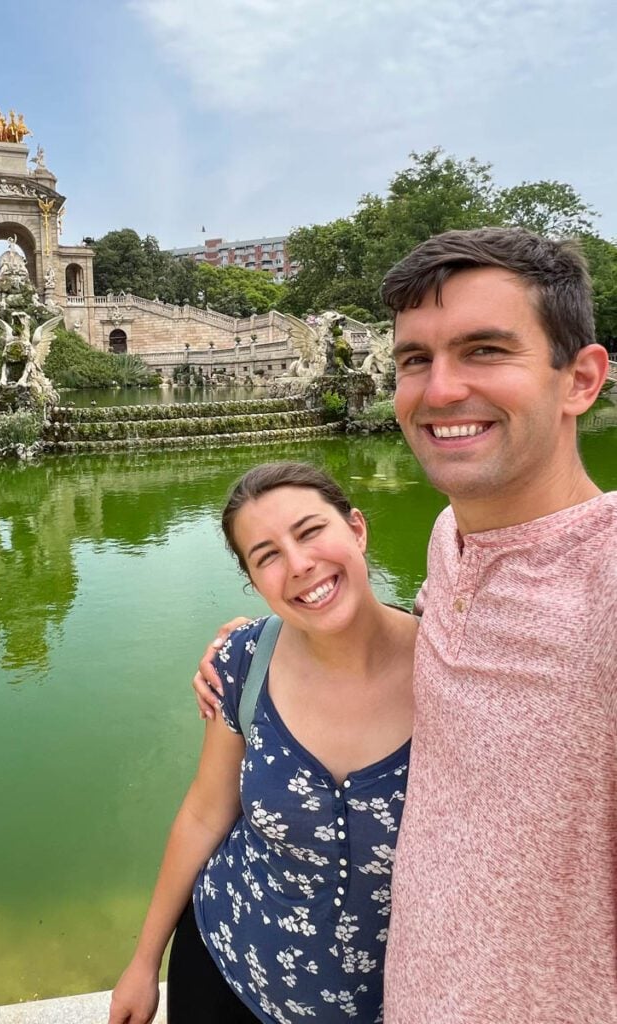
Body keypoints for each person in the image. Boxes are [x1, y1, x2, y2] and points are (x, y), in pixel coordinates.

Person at [194, 228, 617, 1022]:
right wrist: (263, 643)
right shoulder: (451, 542)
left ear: (580, 380)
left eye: (485, 350)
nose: (440, 390)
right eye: (416, 360)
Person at [110, 462, 417, 1024]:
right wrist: (142, 962)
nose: (299, 565)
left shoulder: (452, 667)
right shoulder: (244, 661)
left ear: (357, 528)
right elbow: (205, 814)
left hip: (390, 1002)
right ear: (254, 583)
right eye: (267, 555)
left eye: (310, 532)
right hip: (228, 965)